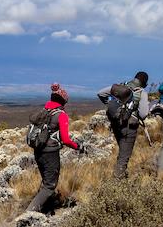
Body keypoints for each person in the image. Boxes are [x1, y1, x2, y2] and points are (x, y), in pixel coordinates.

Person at [26, 83, 83, 214]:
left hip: (38, 151)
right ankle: (29, 214)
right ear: (63, 101)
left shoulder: (45, 111)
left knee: (46, 181)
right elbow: (66, 139)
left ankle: (45, 209)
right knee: (49, 186)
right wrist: (77, 146)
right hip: (50, 154)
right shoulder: (61, 115)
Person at [97, 71, 151, 179]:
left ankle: (120, 175)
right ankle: (116, 183)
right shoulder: (141, 92)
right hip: (129, 127)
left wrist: (110, 106)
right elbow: (143, 114)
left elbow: (101, 93)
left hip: (116, 124)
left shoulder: (121, 86)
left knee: (122, 151)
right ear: (144, 82)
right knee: (124, 156)